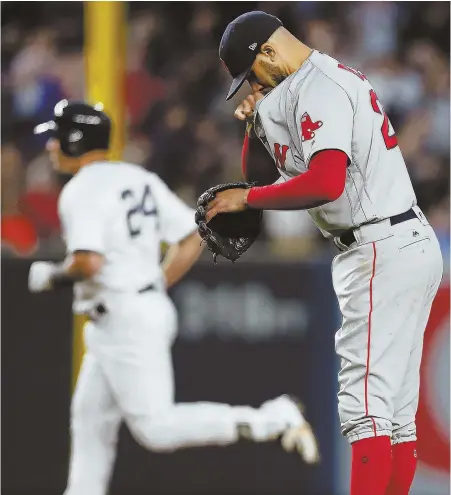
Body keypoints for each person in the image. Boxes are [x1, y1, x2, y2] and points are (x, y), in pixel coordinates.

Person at [28, 100, 319, 495]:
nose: (51, 146)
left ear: (75, 141)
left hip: (125, 319)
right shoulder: (136, 177)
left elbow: (87, 262)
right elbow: (190, 235)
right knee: (90, 420)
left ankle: (273, 419)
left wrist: (51, 276)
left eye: (57, 137)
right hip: (129, 312)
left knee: (156, 429)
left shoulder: (80, 190)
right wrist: (152, 285)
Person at [210, 11, 443, 495]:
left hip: (380, 245)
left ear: (268, 53)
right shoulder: (305, 86)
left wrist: (247, 200)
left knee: (364, 408)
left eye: (251, 73)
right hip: (397, 242)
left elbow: (326, 182)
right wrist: (255, 127)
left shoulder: (320, 86)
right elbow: (272, 175)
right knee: (395, 415)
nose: (251, 84)